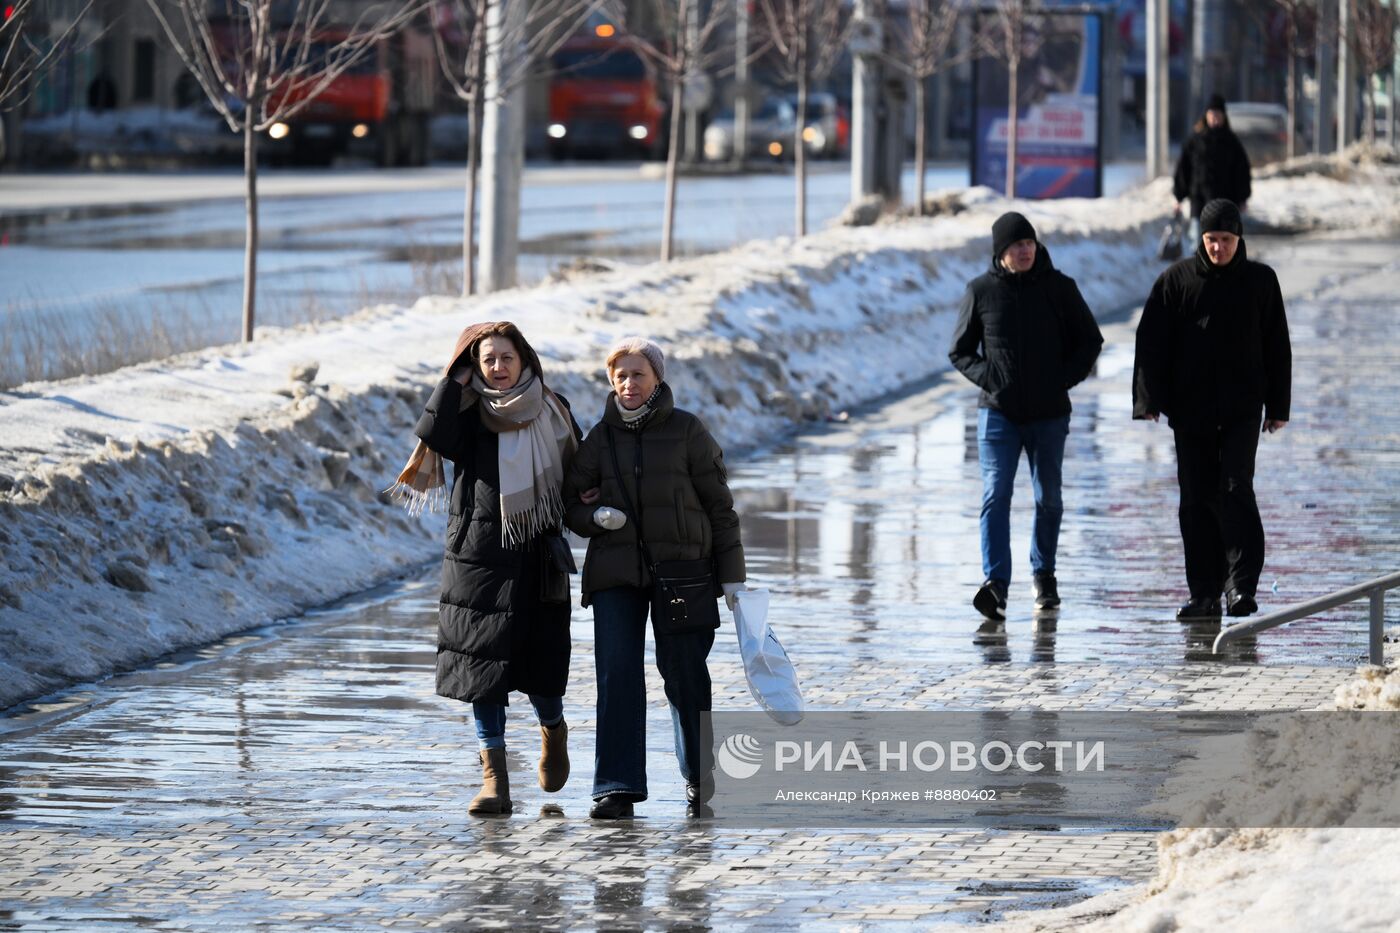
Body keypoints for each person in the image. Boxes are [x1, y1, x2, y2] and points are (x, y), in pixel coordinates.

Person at [391, 321, 582, 816]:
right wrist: (454, 380)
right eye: (487, 360)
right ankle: (494, 778)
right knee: (480, 668)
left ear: (525, 361)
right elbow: (433, 432)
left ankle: (553, 728)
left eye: (506, 358)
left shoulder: (554, 408)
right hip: (476, 555)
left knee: (541, 665)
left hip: (538, 553)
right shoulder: (468, 413)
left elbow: (579, 470)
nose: (498, 368)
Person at [563, 337, 746, 820]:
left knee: (685, 674)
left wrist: (732, 579)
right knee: (617, 673)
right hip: (615, 574)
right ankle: (616, 786)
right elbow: (567, 504)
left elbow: (720, 508)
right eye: (619, 375)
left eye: (638, 374)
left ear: (657, 379)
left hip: (684, 574)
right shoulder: (599, 439)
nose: (628, 383)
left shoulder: (688, 431)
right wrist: (595, 517)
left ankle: (698, 776)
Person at [1132, 199, 1291, 620]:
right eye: (1211, 240)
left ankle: (1240, 586)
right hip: (1191, 410)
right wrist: (1148, 399)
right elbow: (1151, 341)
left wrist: (1278, 406)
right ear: (1200, 240)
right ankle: (1203, 592)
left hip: (1242, 407)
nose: (1218, 248)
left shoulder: (1261, 281)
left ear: (1239, 239)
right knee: (1196, 499)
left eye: (1226, 239)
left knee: (1236, 489)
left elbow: (1277, 346)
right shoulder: (1176, 281)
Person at [948, 212, 1104, 621]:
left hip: (1049, 416)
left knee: (1047, 497)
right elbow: (960, 351)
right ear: (1001, 253)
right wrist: (990, 378)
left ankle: (1044, 575)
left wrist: (1062, 381)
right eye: (1017, 246)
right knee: (996, 495)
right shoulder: (980, 291)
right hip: (998, 415)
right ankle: (996, 584)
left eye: (1029, 243)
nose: (1025, 250)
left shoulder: (1060, 288)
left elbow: (1090, 340)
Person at [1173, 94, 1252, 243]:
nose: (1215, 118)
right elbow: (1183, 169)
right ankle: (1199, 266)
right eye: (1212, 114)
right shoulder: (1195, 141)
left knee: (1223, 246)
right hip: (1199, 201)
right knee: (1197, 243)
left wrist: (1243, 197)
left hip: (1226, 203)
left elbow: (1242, 171)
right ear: (1206, 116)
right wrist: (1178, 196)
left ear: (1224, 117)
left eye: (1218, 114)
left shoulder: (1231, 142)